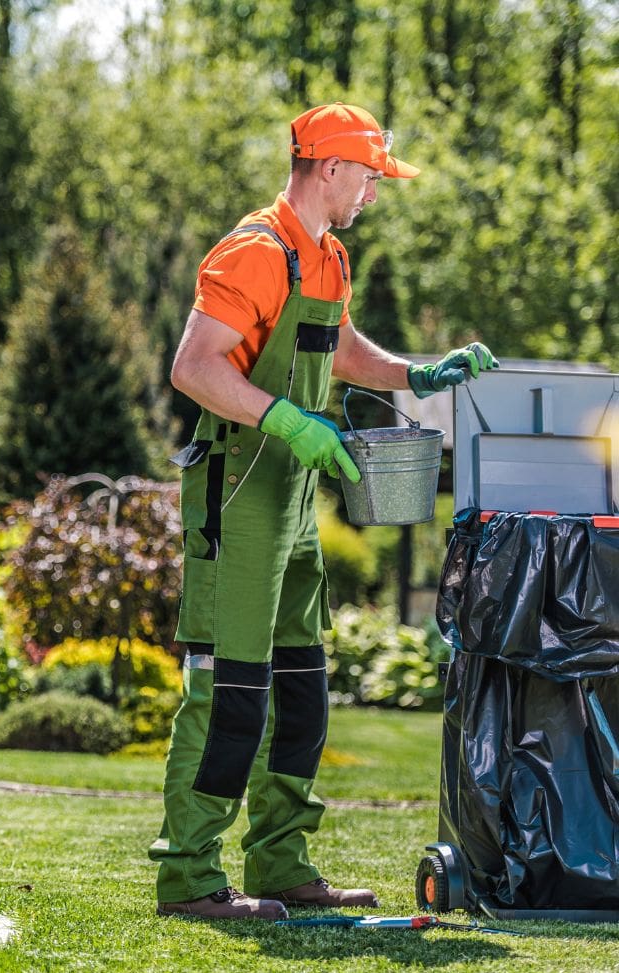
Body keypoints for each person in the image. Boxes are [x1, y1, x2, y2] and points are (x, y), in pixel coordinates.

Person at [148, 102, 498, 921]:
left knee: (302, 685)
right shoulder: (254, 250)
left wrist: (416, 375)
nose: (374, 192)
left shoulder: (327, 257)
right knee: (230, 687)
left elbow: (337, 348)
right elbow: (194, 368)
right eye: (370, 176)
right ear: (330, 167)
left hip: (296, 497)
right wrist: (286, 420)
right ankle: (190, 875)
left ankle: (280, 860)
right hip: (239, 491)